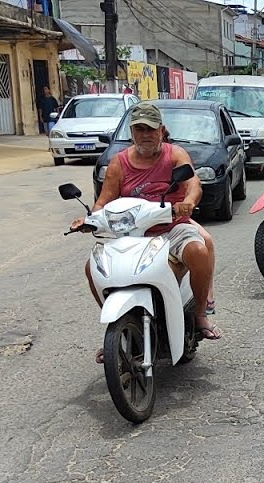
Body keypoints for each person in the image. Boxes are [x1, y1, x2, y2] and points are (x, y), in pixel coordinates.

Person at [73, 103, 220, 352]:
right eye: (139, 129)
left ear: (161, 130)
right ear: (132, 132)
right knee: (92, 268)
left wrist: (188, 202)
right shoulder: (118, 164)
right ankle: (119, 325)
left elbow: (193, 183)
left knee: (198, 250)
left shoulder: (175, 155)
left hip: (172, 226)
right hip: (131, 233)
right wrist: (88, 220)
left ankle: (199, 315)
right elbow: (104, 200)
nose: (145, 135)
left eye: (150, 129)